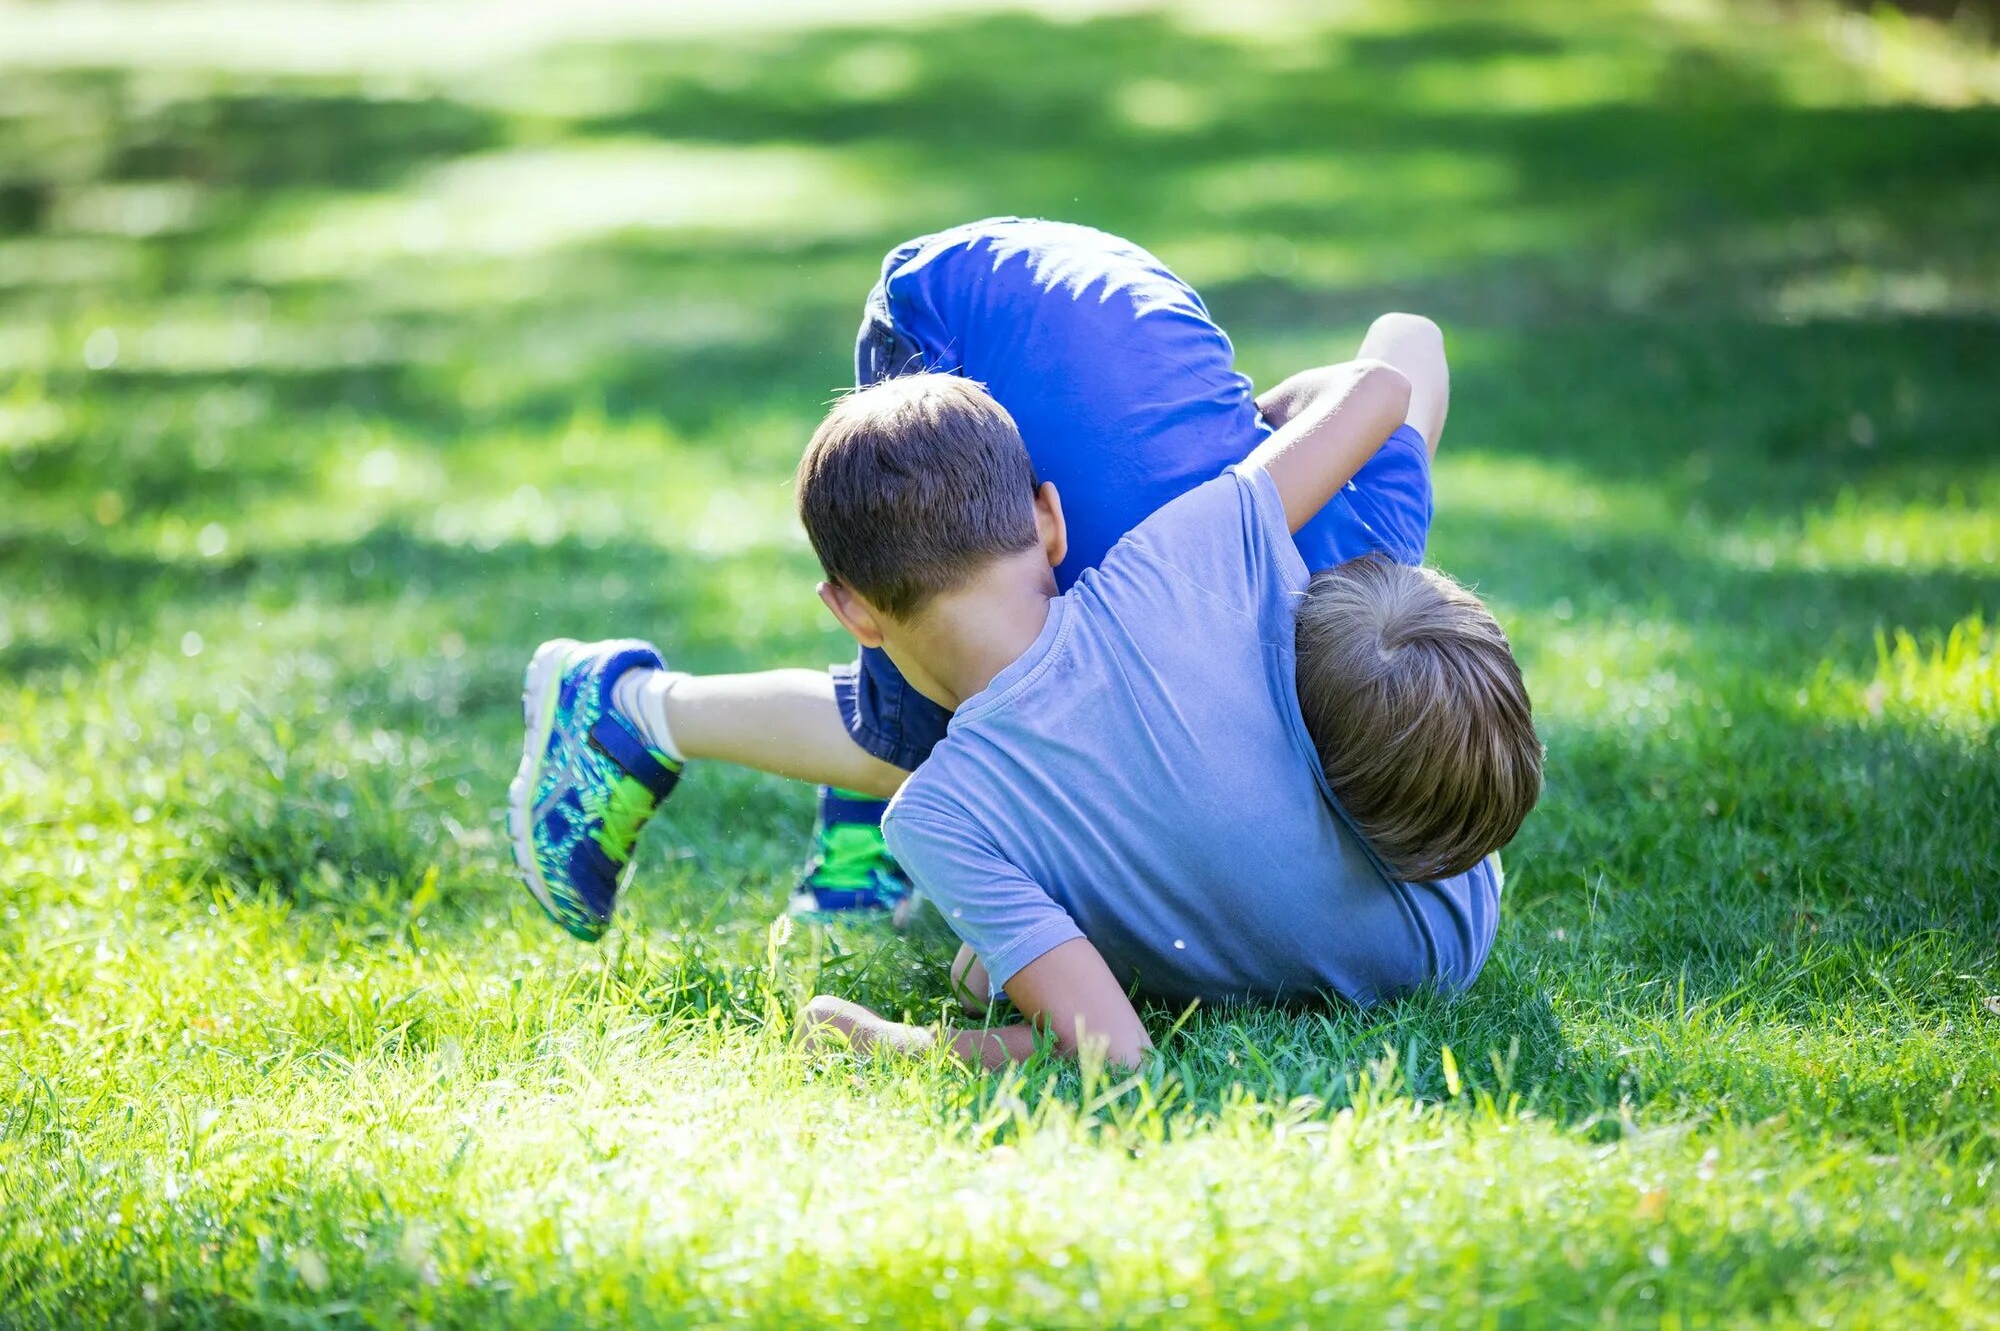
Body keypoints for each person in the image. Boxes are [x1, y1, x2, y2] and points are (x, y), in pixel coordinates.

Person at [505, 219, 1541, 1066]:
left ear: (848, 614)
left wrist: (905, 1045)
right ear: (1053, 520)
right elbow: (1384, 383)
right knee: (955, 842)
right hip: (1450, 919)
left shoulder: (948, 812)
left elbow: (1114, 1053)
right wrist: (1253, 441)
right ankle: (651, 716)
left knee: (958, 896)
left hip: (1007, 327)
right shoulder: (1196, 554)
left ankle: (642, 709)